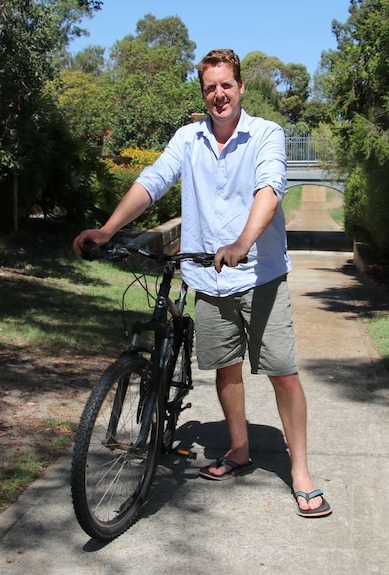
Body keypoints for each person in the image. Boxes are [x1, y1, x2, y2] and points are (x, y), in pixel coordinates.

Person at [72, 49, 330, 518]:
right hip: (207, 276)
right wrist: (108, 229)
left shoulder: (266, 134)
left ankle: (301, 472)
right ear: (203, 92)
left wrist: (241, 243)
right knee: (225, 368)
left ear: (240, 87)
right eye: (210, 87)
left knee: (282, 372)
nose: (219, 94)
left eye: (226, 85)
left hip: (260, 274)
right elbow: (153, 180)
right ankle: (238, 449)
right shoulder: (188, 139)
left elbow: (269, 190)